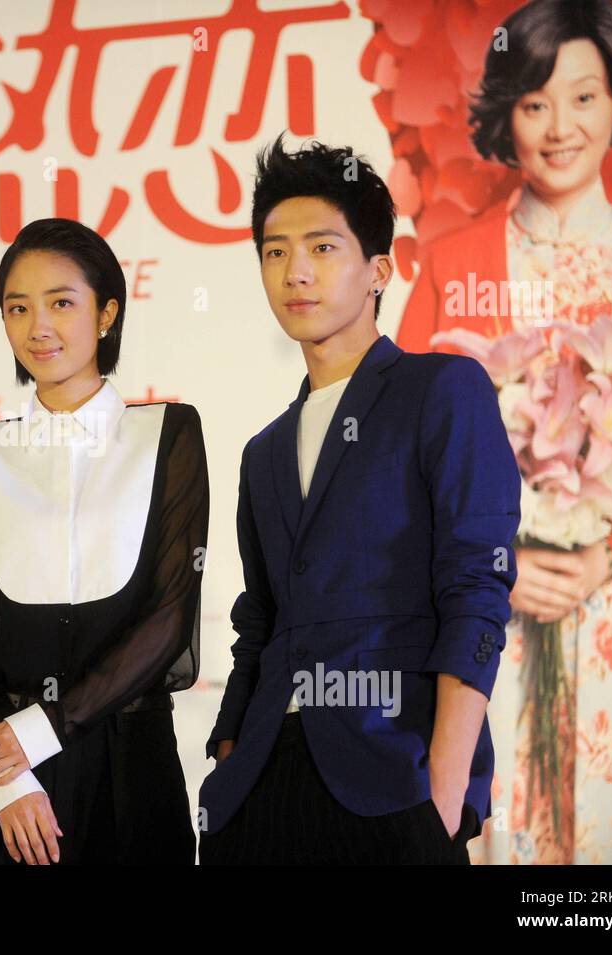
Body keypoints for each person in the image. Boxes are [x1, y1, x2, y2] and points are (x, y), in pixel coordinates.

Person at [396, 0, 612, 863]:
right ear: (506, 115)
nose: (560, 126)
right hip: (497, 645)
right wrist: (502, 565)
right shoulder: (452, 264)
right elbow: (400, 466)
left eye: (583, 97)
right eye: (535, 103)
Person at [199, 135, 521, 864]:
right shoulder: (264, 450)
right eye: (274, 252)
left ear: (380, 269)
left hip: (392, 775)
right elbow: (261, 620)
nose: (295, 271)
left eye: (321, 247)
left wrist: (442, 785)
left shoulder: (442, 390)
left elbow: (476, 589)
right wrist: (227, 751)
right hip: (259, 785)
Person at [0, 217, 209, 865]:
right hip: (3, 776)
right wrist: (9, 777)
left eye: (61, 302)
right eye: (17, 307)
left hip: (129, 770)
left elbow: (169, 617)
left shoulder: (166, 436)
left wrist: (43, 730)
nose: (39, 327)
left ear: (106, 312)